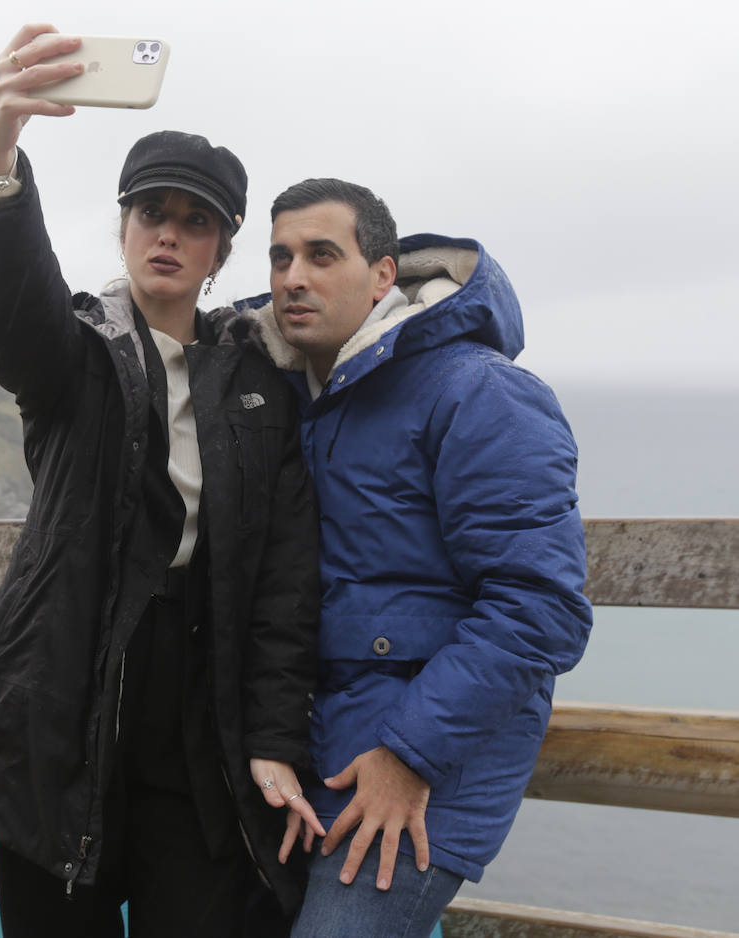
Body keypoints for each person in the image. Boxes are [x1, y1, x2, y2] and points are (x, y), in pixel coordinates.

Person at [0, 24, 324, 938]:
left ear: (220, 254)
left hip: (197, 738)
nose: (169, 234)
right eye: (152, 213)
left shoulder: (259, 385)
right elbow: (13, 310)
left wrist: (274, 743)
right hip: (62, 718)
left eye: (195, 221)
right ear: (124, 225)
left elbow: (284, 588)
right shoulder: (77, 355)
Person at [235, 178, 593, 936]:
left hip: (422, 768)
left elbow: (541, 610)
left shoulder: (480, 394)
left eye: (322, 255)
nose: (293, 276)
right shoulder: (290, 388)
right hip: (305, 754)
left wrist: (409, 756)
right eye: (280, 256)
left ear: (383, 275)